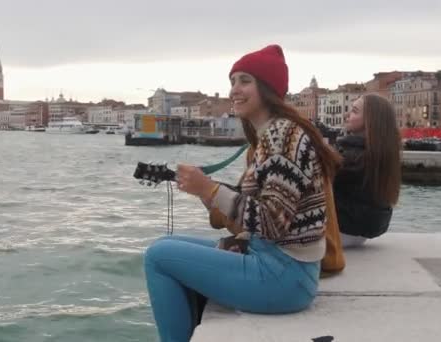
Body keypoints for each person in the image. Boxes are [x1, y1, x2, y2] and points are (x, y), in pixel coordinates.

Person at [143, 45, 342, 341]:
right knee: (167, 244)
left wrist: (209, 188)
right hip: (280, 266)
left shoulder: (282, 136)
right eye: (232, 81)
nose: (234, 89)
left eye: (245, 80)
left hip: (284, 277)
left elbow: (272, 223)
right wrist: (204, 192)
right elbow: (256, 209)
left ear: (268, 88)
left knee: (158, 256)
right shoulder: (272, 134)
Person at [333, 94, 401, 248]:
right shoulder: (381, 153)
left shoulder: (355, 157)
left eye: (355, 111)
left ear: (370, 120)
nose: (347, 114)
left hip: (343, 230)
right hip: (360, 230)